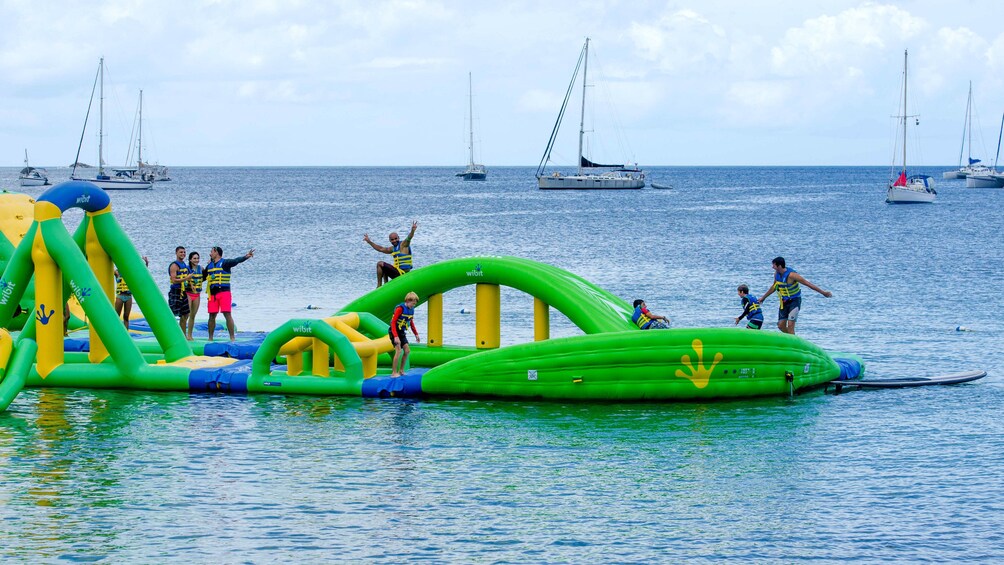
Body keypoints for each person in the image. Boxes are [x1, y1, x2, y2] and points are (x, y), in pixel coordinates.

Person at [759, 256, 832, 334]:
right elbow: (774, 287)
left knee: (790, 325)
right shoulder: (776, 274)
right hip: (784, 302)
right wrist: (763, 298)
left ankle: (792, 342)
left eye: (774, 265)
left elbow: (808, 284)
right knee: (781, 326)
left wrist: (823, 293)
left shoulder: (792, 275)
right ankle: (793, 339)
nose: (772, 267)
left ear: (779, 266)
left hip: (794, 301)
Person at [205, 246, 254, 342]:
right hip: (213, 294)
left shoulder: (225, 263)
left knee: (227, 314)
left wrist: (246, 256)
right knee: (211, 315)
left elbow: (236, 261)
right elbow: (202, 277)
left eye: (211, 252)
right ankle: (210, 338)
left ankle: (232, 338)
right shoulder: (209, 266)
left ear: (216, 252)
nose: (210, 254)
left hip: (224, 293)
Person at [363, 221, 417, 288]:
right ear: (390, 240)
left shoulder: (403, 245)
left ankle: (379, 286)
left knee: (380, 263)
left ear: (398, 238)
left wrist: (412, 230)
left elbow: (409, 238)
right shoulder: (393, 248)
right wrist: (369, 242)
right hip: (397, 273)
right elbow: (381, 249)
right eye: (392, 239)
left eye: (395, 239)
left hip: (402, 273)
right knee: (384, 267)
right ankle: (386, 286)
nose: (394, 240)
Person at [389, 291, 421, 377]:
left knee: (407, 351)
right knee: (398, 351)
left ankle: (401, 370)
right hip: (394, 331)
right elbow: (393, 322)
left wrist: (416, 334)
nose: (413, 306)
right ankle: (394, 373)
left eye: (414, 304)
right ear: (407, 301)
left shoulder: (411, 310)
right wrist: (395, 337)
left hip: (401, 332)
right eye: (412, 304)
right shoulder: (400, 309)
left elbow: (411, 322)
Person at [114, 256, 150, 330]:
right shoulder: (117, 272)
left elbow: (142, 272)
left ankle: (126, 333)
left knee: (126, 317)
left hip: (128, 297)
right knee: (116, 316)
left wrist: (146, 263)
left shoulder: (131, 273)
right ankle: (116, 332)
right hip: (120, 296)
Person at [168, 246, 192, 332]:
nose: (183, 254)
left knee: (186, 314)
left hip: (183, 292)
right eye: (181, 252)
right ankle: (171, 331)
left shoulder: (184, 265)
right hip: (175, 292)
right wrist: (186, 278)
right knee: (172, 314)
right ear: (176, 253)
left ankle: (183, 335)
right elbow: (174, 280)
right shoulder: (174, 265)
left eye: (184, 252)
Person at [185, 251, 204, 341]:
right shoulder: (187, 269)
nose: (196, 260)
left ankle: (190, 335)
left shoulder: (201, 268)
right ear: (190, 259)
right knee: (186, 315)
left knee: (193, 315)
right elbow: (184, 279)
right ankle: (184, 334)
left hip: (197, 294)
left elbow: (204, 277)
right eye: (194, 258)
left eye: (197, 258)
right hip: (188, 293)